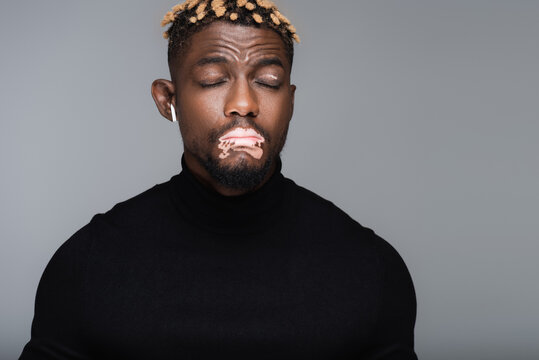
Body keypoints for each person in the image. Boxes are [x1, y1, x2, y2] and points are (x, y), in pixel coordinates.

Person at [20, 0, 417, 359]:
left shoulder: (370, 268)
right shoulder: (87, 265)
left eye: (268, 82)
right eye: (213, 79)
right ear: (167, 100)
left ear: (291, 101)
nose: (243, 103)